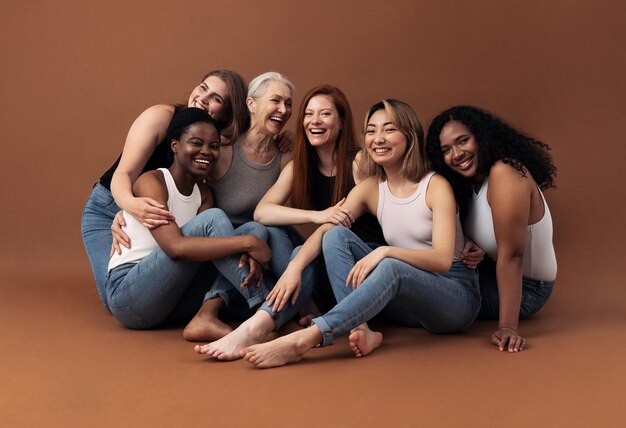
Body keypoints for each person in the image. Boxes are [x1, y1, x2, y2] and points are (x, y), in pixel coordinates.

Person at [207, 99, 480, 368]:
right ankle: (359, 327)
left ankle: (306, 339)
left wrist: (385, 252)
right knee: (335, 235)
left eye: (389, 129)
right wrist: (295, 266)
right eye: (371, 131)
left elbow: (443, 260)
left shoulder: (435, 186)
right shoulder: (372, 187)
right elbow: (328, 227)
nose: (378, 138)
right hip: (406, 306)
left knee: (391, 265)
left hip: (452, 299)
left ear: (409, 135)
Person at [81, 70, 250, 310]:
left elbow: (255, 141)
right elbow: (124, 174)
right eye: (203, 88)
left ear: (227, 114)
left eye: (216, 98)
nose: (203, 97)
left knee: (159, 282)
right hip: (110, 207)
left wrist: (283, 140)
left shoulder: (216, 143)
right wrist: (129, 208)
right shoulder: (161, 117)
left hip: (158, 215)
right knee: (115, 301)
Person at [105, 107, 273, 329]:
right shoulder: (152, 181)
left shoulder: (204, 194)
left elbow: (208, 253)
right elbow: (176, 248)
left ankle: (205, 316)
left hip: (173, 301)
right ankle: (267, 312)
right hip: (131, 298)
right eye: (196, 143)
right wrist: (249, 244)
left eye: (213, 146)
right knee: (226, 225)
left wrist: (250, 238)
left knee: (254, 228)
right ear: (175, 146)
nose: (206, 151)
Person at [425, 105, 557, 352]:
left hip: (528, 292)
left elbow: (514, 255)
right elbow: (496, 235)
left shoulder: (504, 172)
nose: (456, 154)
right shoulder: (471, 185)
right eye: (446, 150)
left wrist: (508, 327)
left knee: (421, 290)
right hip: (492, 276)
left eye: (463, 141)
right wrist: (480, 250)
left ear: (482, 136)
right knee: (420, 274)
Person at [182, 72, 298, 341]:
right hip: (216, 253)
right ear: (251, 104)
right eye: (276, 101)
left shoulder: (285, 154)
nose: (283, 110)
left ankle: (209, 314)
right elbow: (182, 191)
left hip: (255, 255)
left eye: (289, 104)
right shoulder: (221, 148)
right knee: (253, 228)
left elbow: (273, 214)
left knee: (268, 230)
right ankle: (272, 315)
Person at [253, 85, 386, 317]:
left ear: (342, 122)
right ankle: (308, 306)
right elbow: (261, 212)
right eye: (308, 114)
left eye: (325, 114)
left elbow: (336, 227)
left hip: (362, 265)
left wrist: (297, 263)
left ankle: (271, 319)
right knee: (273, 232)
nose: (315, 121)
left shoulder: (359, 161)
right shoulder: (300, 167)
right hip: (328, 262)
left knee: (302, 254)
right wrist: (316, 215)